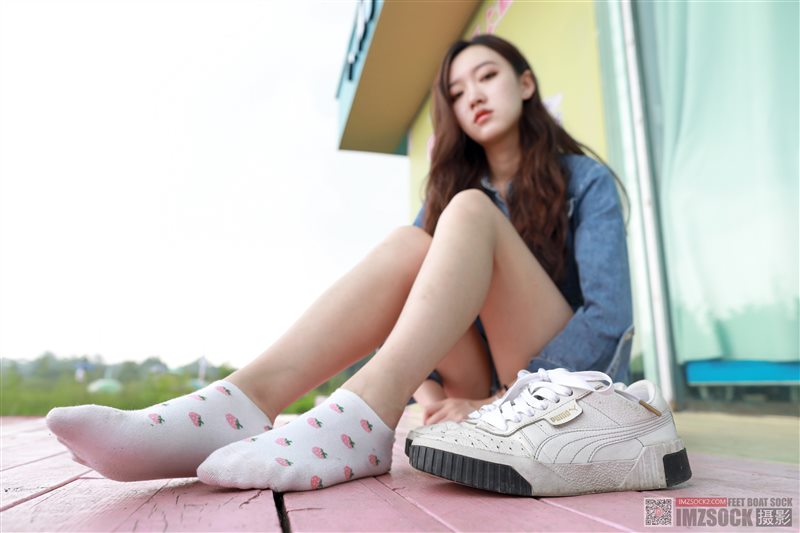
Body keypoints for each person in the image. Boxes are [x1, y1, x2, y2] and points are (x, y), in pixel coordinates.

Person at [46, 34, 633, 493]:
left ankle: (364, 414)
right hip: (479, 380)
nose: (473, 96)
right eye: (456, 92)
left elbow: (609, 319)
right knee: (411, 245)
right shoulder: (454, 190)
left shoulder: (585, 181)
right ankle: (242, 401)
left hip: (560, 391)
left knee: (470, 212)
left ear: (525, 84)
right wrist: (431, 395)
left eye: (487, 76)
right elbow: (414, 303)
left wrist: (496, 401)